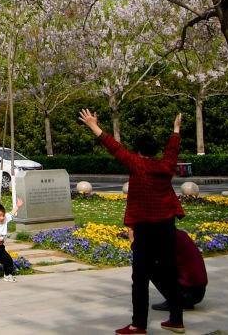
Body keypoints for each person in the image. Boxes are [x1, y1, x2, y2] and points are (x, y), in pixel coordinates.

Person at [79, 108, 185, 335]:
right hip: (167, 225)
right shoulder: (166, 166)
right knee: (170, 271)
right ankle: (176, 320)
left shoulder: (136, 164)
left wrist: (92, 125)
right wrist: (176, 130)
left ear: (138, 150)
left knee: (140, 277)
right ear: (154, 151)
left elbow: (113, 146)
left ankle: (139, 325)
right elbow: (172, 151)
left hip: (145, 227)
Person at [150, 228, 207, 311]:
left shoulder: (166, 238)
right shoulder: (179, 234)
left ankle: (175, 301)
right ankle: (183, 302)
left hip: (188, 292)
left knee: (150, 267)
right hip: (198, 290)